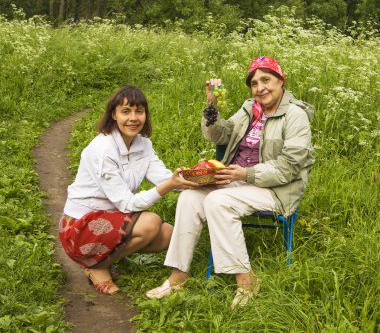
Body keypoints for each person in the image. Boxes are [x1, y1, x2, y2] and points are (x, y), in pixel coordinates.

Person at [146, 56, 315, 308]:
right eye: (254, 83)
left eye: (266, 80)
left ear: (281, 81)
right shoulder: (251, 109)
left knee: (217, 200)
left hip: (276, 190)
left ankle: (246, 281)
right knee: (189, 197)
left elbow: (290, 167)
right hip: (237, 183)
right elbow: (219, 134)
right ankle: (177, 276)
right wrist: (211, 105)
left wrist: (245, 174)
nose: (260, 88)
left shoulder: (295, 115)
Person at [59, 85, 199, 295]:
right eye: (126, 111)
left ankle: (102, 261)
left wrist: (201, 180)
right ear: (113, 114)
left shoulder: (143, 144)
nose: (133, 118)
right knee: (151, 222)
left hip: (110, 218)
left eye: (139, 111)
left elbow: (164, 177)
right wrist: (168, 186)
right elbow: (127, 204)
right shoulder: (103, 149)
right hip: (79, 228)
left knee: (169, 234)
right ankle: (97, 267)